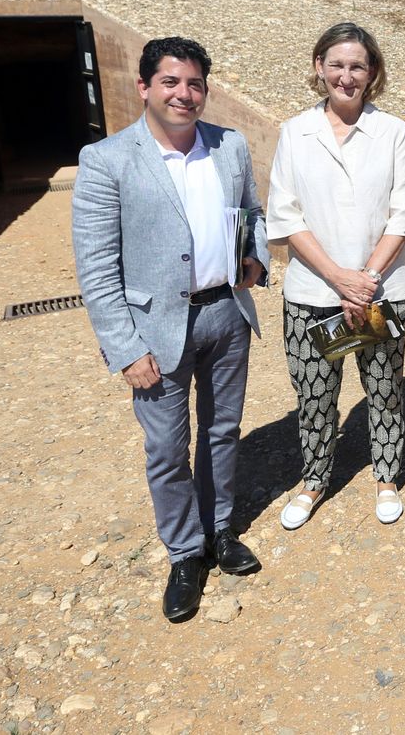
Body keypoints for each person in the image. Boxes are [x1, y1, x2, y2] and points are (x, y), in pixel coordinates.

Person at [72, 36, 268, 622]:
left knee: (223, 430)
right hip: (153, 329)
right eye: (171, 82)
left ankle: (221, 531)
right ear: (144, 87)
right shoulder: (106, 160)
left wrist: (253, 257)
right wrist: (124, 348)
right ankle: (185, 553)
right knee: (165, 448)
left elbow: (251, 215)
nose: (185, 94)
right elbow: (97, 267)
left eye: (195, 84)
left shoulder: (229, 147)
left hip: (226, 313)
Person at [266, 23, 405, 528]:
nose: (346, 75)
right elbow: (286, 216)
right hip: (315, 292)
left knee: (383, 389)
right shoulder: (296, 132)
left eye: (358, 65)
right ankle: (314, 480)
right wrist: (339, 279)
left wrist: (364, 280)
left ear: (372, 72)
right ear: (319, 67)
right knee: (315, 396)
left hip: (378, 293)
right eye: (336, 64)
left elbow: (403, 213)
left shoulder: (392, 131)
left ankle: (385, 476)